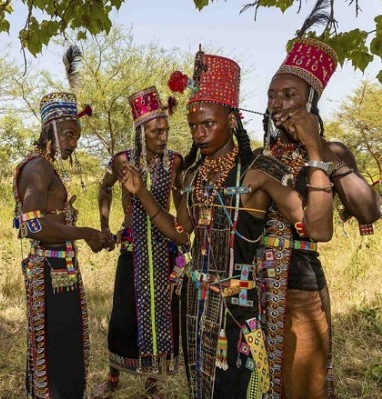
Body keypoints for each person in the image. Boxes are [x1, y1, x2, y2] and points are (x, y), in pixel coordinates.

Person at [119, 49, 334, 399]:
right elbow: (179, 232)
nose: (200, 134)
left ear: (232, 119)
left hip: (240, 309)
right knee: (201, 389)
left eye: (208, 124)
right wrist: (141, 193)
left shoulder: (260, 171)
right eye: (193, 127)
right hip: (195, 304)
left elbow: (319, 229)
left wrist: (314, 150)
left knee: (239, 389)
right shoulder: (191, 175)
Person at [259, 37, 382, 399]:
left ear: (310, 103)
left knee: (304, 385)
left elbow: (370, 210)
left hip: (301, 283)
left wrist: (317, 147)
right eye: (271, 95)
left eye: (288, 95)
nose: (276, 103)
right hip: (254, 287)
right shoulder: (258, 156)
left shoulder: (334, 151)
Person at [90, 86, 184, 399]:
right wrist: (105, 226)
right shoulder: (122, 161)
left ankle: (152, 383)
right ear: (140, 132)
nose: (163, 136)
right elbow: (104, 189)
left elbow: (182, 207)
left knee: (160, 316)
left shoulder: (175, 163)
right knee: (122, 317)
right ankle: (113, 378)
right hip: (132, 248)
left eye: (166, 130)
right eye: (156, 131)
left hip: (163, 249)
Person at [13, 91, 104, 399]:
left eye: (77, 136)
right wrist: (85, 231)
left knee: (66, 338)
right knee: (54, 341)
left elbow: (45, 218)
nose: (74, 142)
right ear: (50, 129)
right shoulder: (38, 167)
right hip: (48, 268)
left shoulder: (46, 166)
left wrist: (66, 221)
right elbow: (32, 225)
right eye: (68, 134)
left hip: (59, 264)